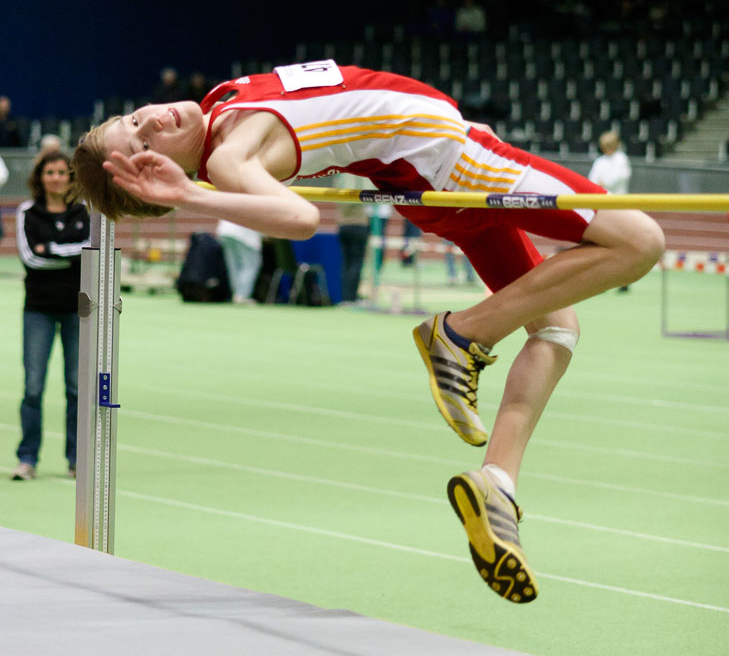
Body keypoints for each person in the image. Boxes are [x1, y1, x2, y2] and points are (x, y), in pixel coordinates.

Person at [71, 60, 664, 604]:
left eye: (131, 119)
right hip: (450, 159)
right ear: (166, 171)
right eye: (144, 144)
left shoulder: (224, 104)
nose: (150, 118)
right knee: (640, 241)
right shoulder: (227, 155)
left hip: (425, 172)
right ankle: (459, 335)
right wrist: (192, 193)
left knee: (557, 331)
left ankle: (498, 485)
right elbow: (301, 219)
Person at [12, 150, 90, 481]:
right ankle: (27, 459)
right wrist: (68, 254)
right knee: (33, 387)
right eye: (50, 172)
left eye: (62, 172)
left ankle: (76, 459)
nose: (56, 178)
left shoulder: (85, 211)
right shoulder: (27, 212)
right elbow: (31, 258)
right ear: (40, 177)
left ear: (71, 177)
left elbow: (91, 251)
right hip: (39, 310)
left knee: (76, 387)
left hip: (78, 309)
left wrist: (53, 249)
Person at [589, 131, 633, 291]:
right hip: (603, 207)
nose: (606, 148)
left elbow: (617, 179)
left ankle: (625, 280)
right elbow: (592, 180)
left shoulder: (622, 160)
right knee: (602, 244)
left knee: (623, 243)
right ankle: (602, 280)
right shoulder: (599, 161)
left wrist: (603, 183)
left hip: (619, 206)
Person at [335, 173, 371, 304]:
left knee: (347, 263)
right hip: (358, 226)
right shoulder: (359, 179)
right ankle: (351, 297)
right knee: (356, 263)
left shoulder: (341, 179)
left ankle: (346, 296)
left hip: (343, 225)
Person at [215, 219, 263, 303]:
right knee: (250, 264)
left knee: (234, 265)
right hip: (244, 234)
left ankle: (237, 294)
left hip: (226, 230)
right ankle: (242, 295)